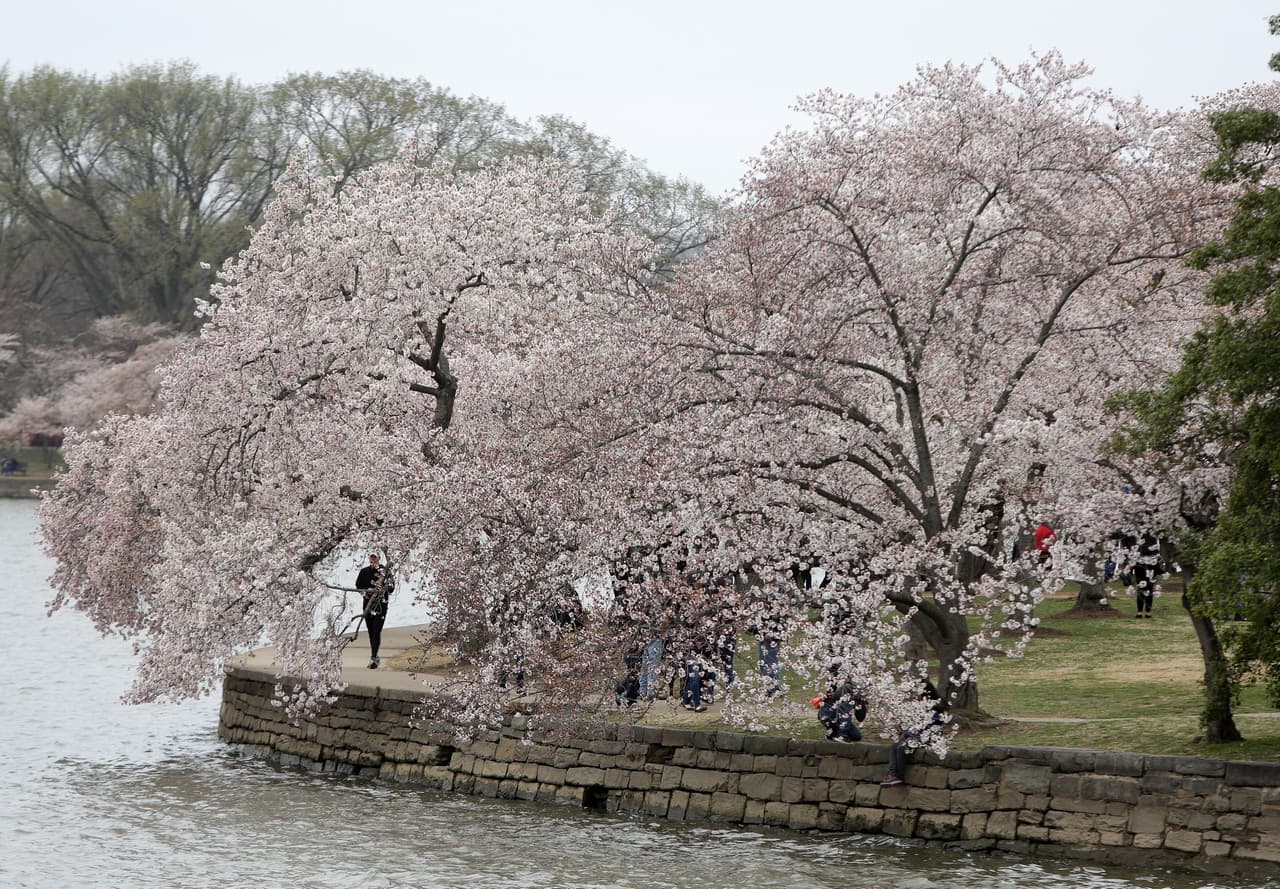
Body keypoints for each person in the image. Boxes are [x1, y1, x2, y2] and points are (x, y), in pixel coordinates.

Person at [881, 678, 947, 787]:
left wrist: (908, 734)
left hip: (928, 738)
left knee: (902, 747)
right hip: (915, 737)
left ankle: (898, 776)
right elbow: (914, 724)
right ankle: (892, 774)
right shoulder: (920, 707)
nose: (916, 696)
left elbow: (926, 726)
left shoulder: (935, 709)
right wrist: (906, 733)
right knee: (894, 746)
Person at [355, 553, 393, 669]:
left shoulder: (385, 571)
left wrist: (381, 589)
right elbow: (358, 586)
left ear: (379, 558)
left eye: (375, 558)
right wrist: (366, 591)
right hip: (368, 604)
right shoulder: (364, 571)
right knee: (371, 631)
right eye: (371, 558)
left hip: (381, 605)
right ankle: (374, 656)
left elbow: (391, 588)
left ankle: (374, 657)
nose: (373, 560)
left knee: (377, 630)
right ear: (368, 558)